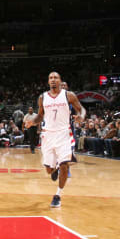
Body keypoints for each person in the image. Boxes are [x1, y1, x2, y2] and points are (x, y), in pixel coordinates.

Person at [25, 72, 85, 208]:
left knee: (65, 165)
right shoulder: (42, 97)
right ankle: (54, 168)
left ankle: (58, 195)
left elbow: (81, 110)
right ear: (48, 82)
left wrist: (81, 117)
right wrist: (32, 122)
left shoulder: (68, 95)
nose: (53, 80)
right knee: (48, 170)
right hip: (48, 135)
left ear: (60, 81)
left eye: (55, 78)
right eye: (51, 78)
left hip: (64, 134)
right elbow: (40, 116)